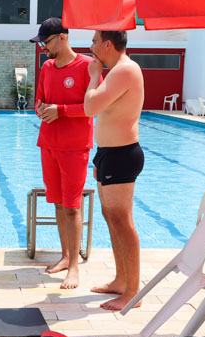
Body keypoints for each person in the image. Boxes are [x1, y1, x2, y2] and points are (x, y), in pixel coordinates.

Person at [30, 17, 94, 289]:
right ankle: (66, 256)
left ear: (62, 38)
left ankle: (75, 267)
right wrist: (42, 109)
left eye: (45, 42)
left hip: (75, 147)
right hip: (49, 144)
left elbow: (93, 107)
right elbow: (39, 100)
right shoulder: (46, 67)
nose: (43, 48)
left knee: (72, 206)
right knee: (57, 203)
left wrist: (62, 111)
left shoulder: (87, 66)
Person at [83, 30, 144, 311]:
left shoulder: (124, 70)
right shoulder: (118, 71)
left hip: (122, 154)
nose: (91, 46)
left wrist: (94, 75)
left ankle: (133, 291)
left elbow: (90, 107)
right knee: (111, 218)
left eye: (94, 41)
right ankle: (121, 280)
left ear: (108, 44)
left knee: (123, 221)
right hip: (109, 153)